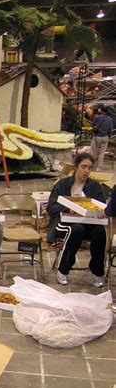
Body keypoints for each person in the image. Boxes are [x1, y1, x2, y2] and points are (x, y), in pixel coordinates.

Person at [47, 153, 107, 287]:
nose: (86, 171)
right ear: (76, 167)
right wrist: (68, 209)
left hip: (89, 223)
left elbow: (101, 207)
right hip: (64, 223)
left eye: (89, 168)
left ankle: (97, 272)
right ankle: (63, 270)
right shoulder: (62, 184)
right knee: (76, 230)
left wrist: (99, 212)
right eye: (83, 167)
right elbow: (51, 208)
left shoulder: (95, 187)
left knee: (100, 232)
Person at [90, 107, 113, 171]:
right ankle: (99, 168)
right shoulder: (110, 119)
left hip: (97, 136)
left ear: (102, 110)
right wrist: (109, 136)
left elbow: (92, 125)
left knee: (93, 152)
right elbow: (110, 130)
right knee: (102, 153)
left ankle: (91, 165)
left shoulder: (97, 117)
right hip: (105, 137)